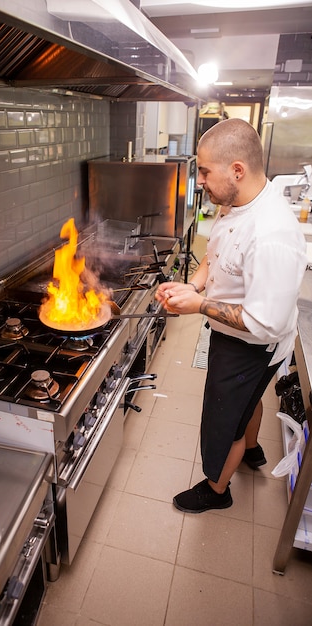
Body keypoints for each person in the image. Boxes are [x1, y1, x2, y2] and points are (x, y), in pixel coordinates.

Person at [155, 118, 307, 514]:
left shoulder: (271, 233)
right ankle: (252, 449)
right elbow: (216, 254)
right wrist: (195, 285)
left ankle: (217, 490)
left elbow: (264, 322)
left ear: (236, 169)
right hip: (240, 339)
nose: (200, 180)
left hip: (248, 347)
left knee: (224, 422)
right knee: (249, 402)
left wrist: (199, 306)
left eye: (204, 171)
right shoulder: (236, 201)